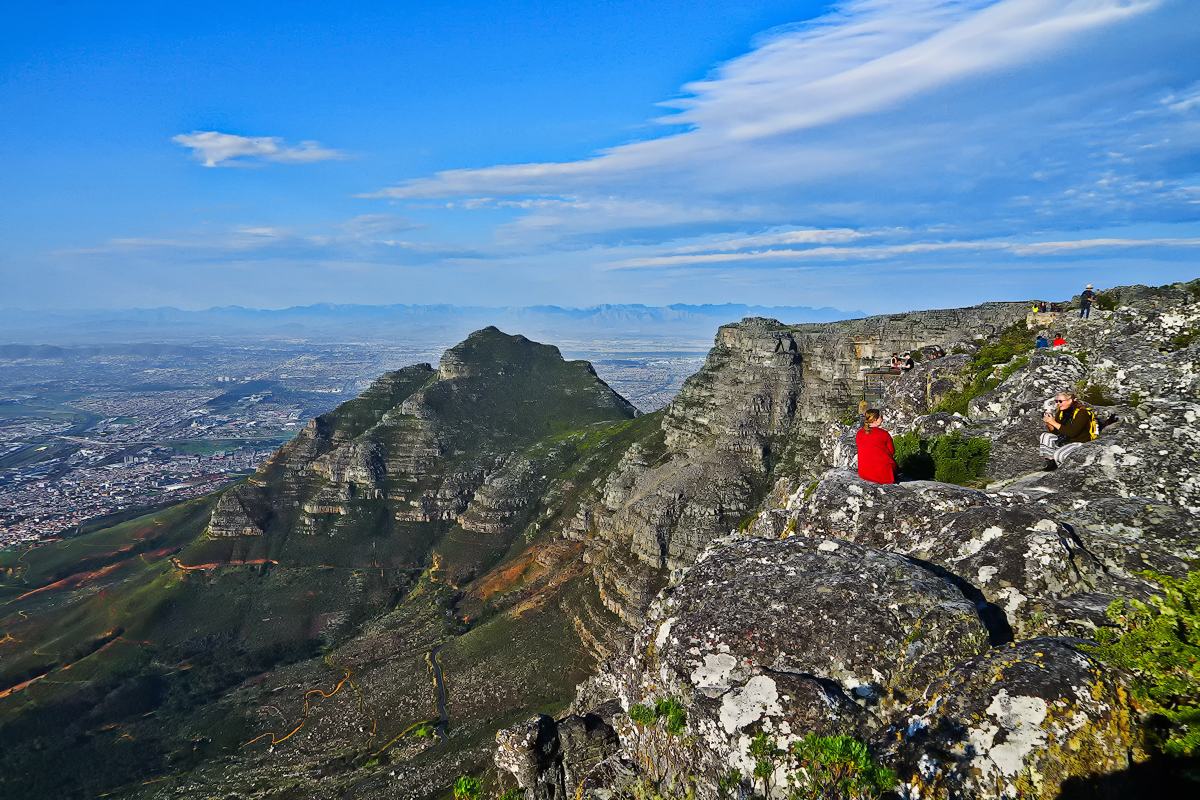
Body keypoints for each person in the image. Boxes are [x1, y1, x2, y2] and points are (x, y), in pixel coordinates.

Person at [1039, 392, 1096, 470]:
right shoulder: (1061, 412)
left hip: (1079, 442)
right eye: (1057, 401)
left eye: (1061, 401)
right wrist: (1049, 423)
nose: (1058, 404)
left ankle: (1060, 468)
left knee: (1058, 455)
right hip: (1066, 440)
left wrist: (1053, 422)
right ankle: (1051, 462)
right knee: (1045, 436)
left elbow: (1073, 433)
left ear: (1070, 401)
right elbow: (1055, 432)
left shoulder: (1082, 413)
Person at [857, 409, 897, 483]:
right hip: (882, 474)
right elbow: (892, 452)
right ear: (876, 420)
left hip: (864, 473)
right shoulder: (884, 434)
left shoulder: (859, 433)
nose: (882, 419)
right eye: (881, 417)